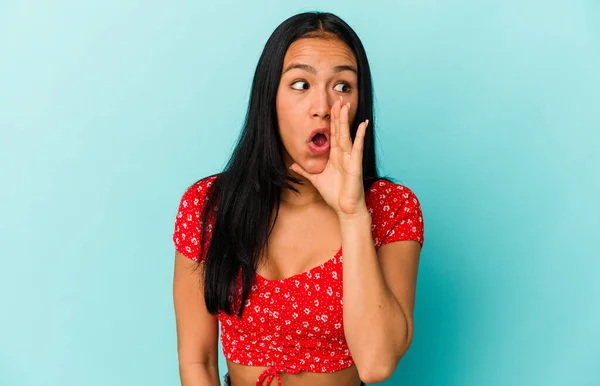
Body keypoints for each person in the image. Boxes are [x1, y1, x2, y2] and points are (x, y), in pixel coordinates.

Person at [172, 11, 424, 386]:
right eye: (301, 84)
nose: (322, 106)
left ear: (359, 104)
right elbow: (198, 360)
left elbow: (376, 364)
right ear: (269, 98)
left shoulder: (392, 207)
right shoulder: (208, 205)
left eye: (342, 86)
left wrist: (351, 213)